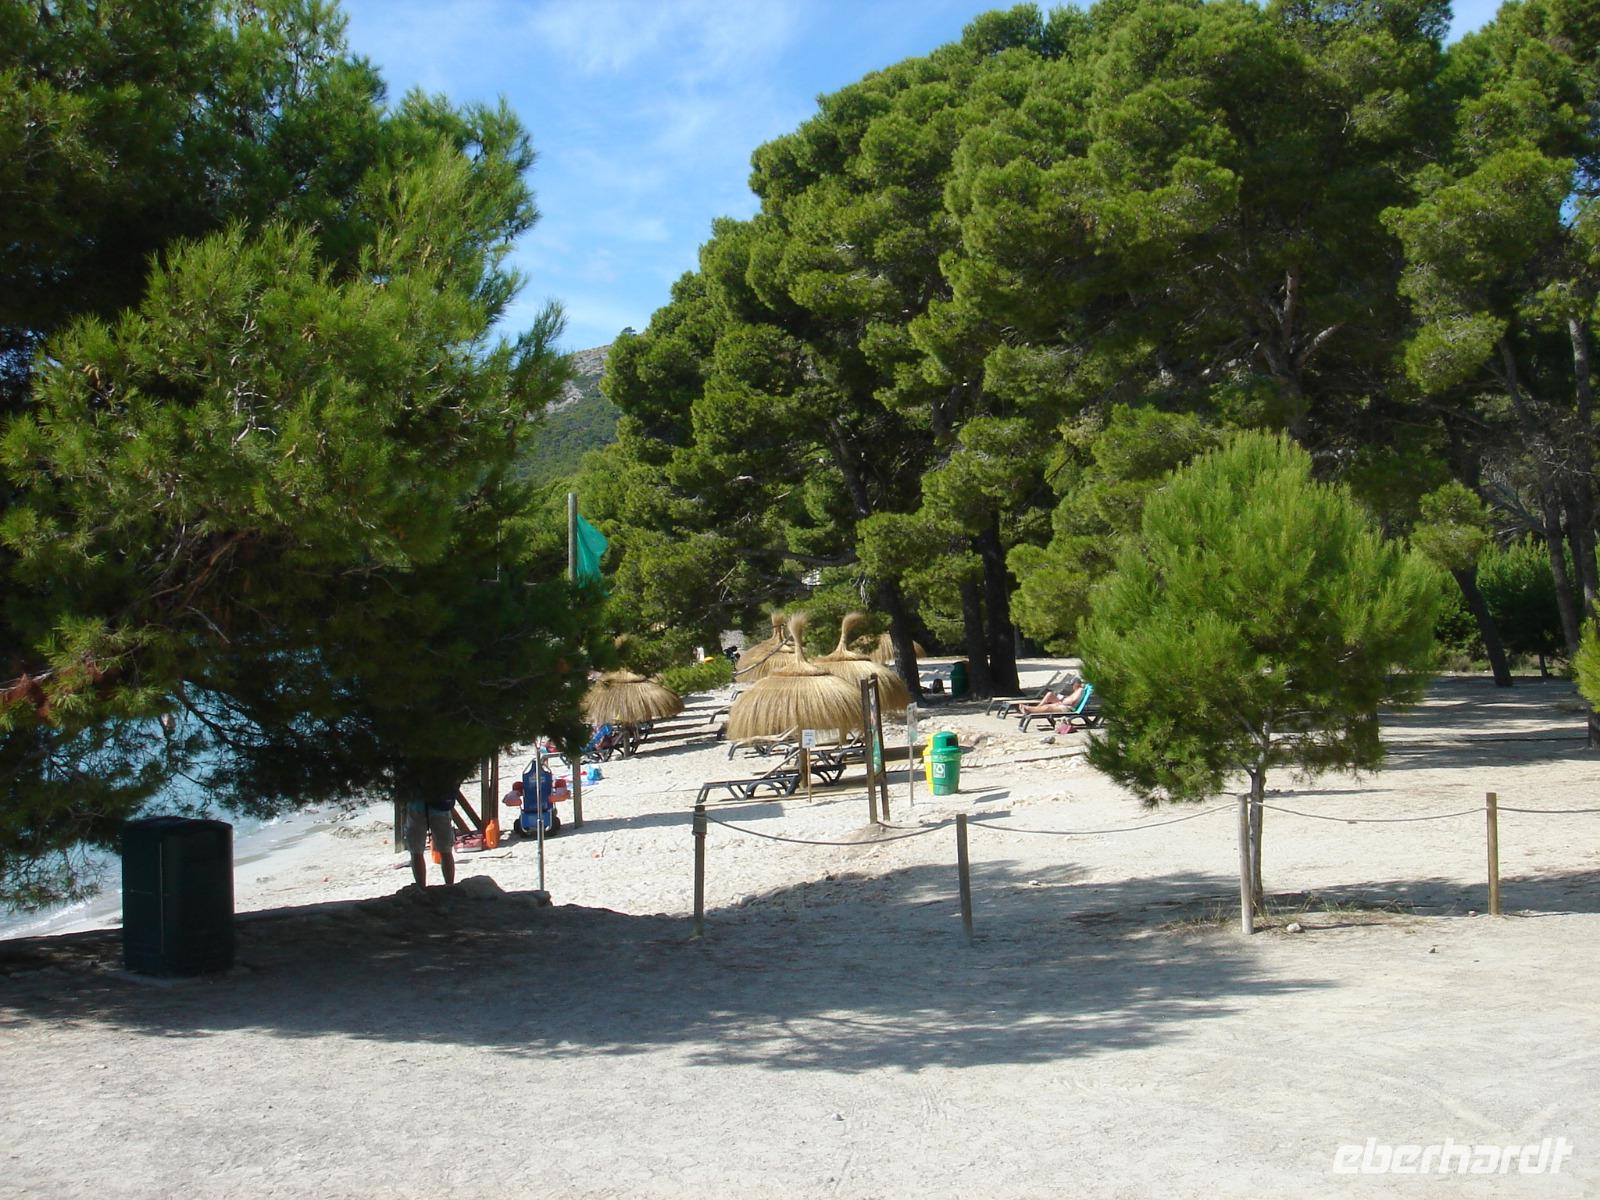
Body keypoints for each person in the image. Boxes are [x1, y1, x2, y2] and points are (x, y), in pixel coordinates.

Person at [407, 783, 459, 887]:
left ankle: (421, 887)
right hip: (439, 804)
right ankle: (449, 886)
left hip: (419, 805)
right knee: (445, 850)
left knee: (416, 851)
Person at [1018, 678, 1087, 716]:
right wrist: (1063, 700)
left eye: (1072, 684)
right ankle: (1034, 708)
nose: (1072, 686)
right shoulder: (1077, 690)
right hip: (1064, 704)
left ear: (1077, 684)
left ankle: (1029, 710)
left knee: (1048, 707)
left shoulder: (1080, 690)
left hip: (1068, 708)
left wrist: (1062, 703)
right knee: (1050, 694)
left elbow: (1073, 702)